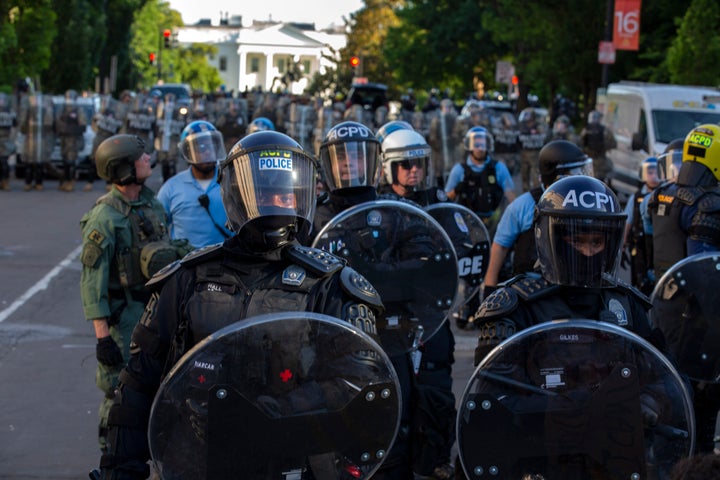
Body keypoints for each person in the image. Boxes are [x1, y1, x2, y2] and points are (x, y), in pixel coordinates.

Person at [96, 130, 384, 479]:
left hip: (296, 458)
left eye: (285, 194)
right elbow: (139, 383)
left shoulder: (330, 283)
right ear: (235, 195)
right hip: (195, 459)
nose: (276, 203)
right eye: (263, 194)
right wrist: (120, 468)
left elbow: (361, 382)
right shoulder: (188, 278)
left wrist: (275, 411)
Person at [79, 134, 182, 454]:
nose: (149, 158)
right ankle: (111, 454)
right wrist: (102, 338)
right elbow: (92, 282)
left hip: (155, 311)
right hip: (125, 318)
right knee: (120, 389)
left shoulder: (150, 203)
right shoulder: (105, 218)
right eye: (141, 156)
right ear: (124, 168)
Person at [377, 128, 455, 479]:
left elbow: (461, 246)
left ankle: (434, 457)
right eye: (405, 164)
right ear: (388, 168)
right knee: (394, 394)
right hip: (392, 317)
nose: (414, 171)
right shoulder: (375, 207)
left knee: (436, 389)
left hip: (432, 311)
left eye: (419, 163)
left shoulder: (438, 202)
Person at [482, 140, 593, 297]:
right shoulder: (524, 205)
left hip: (578, 288)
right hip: (531, 292)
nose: (582, 178)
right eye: (576, 172)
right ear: (555, 176)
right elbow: (500, 246)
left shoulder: (588, 202)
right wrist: (490, 286)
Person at [647, 124, 720, 279]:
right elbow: (704, 267)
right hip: (694, 296)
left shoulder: (660, 193)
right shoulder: (708, 204)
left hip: (661, 288)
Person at [156, 120, 231, 248]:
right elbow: (157, 227)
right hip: (186, 263)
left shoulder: (231, 182)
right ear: (188, 151)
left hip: (227, 260)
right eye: (201, 147)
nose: (208, 152)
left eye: (211, 146)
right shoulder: (171, 187)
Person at [444, 126, 516, 229]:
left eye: (483, 145)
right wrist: (456, 191)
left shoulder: (499, 168)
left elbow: (511, 197)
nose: (480, 149)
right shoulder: (459, 170)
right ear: (469, 146)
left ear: (488, 145)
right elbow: (445, 202)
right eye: (476, 145)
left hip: (495, 223)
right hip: (467, 223)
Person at [623, 156, 660, 295]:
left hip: (657, 243)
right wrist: (623, 244)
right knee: (639, 277)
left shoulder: (664, 194)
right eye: (650, 172)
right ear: (644, 174)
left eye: (656, 172)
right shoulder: (636, 196)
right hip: (639, 244)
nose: (653, 176)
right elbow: (628, 221)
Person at [55, 89, 88, 192]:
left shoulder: (78, 110)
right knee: (64, 160)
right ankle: (64, 181)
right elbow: (57, 122)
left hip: (74, 139)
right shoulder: (62, 109)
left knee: (71, 161)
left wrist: (74, 128)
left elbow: (83, 124)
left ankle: (70, 181)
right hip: (64, 138)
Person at [580, 110, 616, 184]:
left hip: (590, 160)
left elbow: (580, 142)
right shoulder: (604, 130)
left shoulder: (586, 129)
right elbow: (613, 144)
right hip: (597, 161)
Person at [517, 107, 548, 192]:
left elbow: (544, 136)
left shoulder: (538, 125)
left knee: (535, 175)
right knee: (524, 174)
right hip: (524, 153)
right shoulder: (522, 126)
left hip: (535, 154)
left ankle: (537, 192)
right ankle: (525, 192)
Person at [0, 92, 17, 191]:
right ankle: (4, 182)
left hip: (5, 139)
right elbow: (15, 122)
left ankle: (5, 181)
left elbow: (15, 122)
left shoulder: (10, 112)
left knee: (3, 161)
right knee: (3, 161)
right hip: (6, 139)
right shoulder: (10, 111)